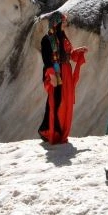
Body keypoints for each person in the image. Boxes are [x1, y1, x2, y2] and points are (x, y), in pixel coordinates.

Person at [39, 11, 87, 144]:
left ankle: (60, 132)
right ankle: (49, 131)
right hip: (56, 72)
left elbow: (69, 54)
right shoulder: (47, 39)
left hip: (66, 72)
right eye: (64, 20)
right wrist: (52, 75)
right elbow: (47, 59)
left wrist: (78, 51)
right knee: (56, 101)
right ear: (57, 22)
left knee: (65, 101)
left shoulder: (63, 37)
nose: (66, 22)